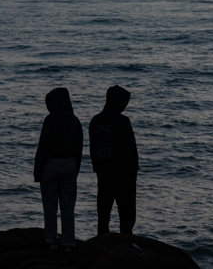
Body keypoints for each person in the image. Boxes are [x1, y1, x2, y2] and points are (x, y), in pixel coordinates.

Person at [33, 87, 83, 252]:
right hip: (70, 163)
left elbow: (43, 147)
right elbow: (79, 147)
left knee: (50, 206)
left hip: (51, 164)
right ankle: (68, 243)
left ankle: (53, 241)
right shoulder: (74, 120)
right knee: (68, 207)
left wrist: (37, 171)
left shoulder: (50, 120)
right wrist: (75, 169)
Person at [89, 85, 138, 235]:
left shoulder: (95, 120)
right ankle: (126, 245)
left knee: (103, 215)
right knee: (126, 217)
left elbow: (93, 149)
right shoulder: (123, 121)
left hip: (104, 173)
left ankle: (102, 243)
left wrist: (97, 168)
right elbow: (131, 150)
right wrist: (134, 171)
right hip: (124, 175)